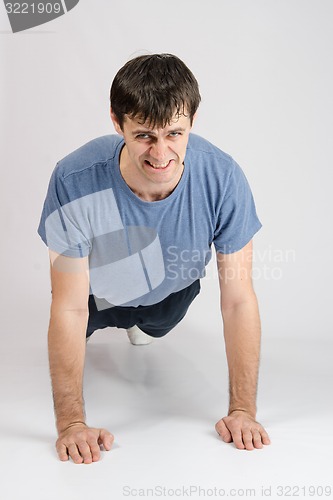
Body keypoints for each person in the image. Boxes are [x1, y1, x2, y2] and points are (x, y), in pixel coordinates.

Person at [38, 53, 271, 464]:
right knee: (79, 320)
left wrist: (243, 411)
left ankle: (144, 325)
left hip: (169, 297)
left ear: (192, 121)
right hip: (96, 296)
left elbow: (238, 300)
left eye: (175, 134)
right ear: (117, 122)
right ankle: (111, 326)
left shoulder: (223, 178)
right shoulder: (74, 179)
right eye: (144, 135)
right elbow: (69, 306)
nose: (161, 152)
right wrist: (71, 423)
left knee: (156, 323)